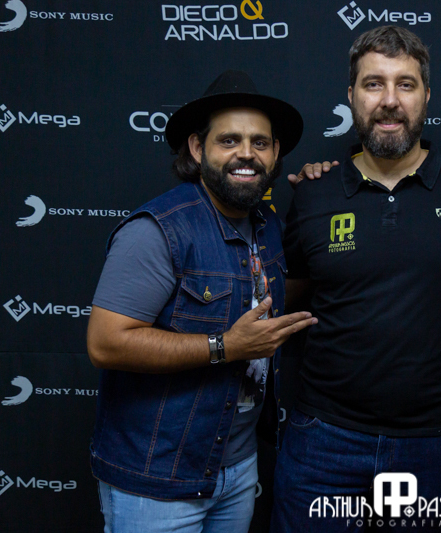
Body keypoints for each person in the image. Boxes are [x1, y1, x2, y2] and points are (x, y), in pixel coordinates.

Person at [270, 26, 441, 531]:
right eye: (374, 84)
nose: (390, 100)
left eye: (406, 84)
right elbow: (289, 293)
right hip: (323, 442)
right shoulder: (314, 192)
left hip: (439, 446)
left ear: (426, 97)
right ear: (351, 95)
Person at [86, 70, 317, 533]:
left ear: (275, 153)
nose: (246, 153)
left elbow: (270, 290)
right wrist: (226, 346)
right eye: (229, 140)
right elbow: (106, 343)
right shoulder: (158, 230)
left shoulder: (267, 224)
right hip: (157, 479)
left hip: (237, 466)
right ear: (197, 148)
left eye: (260, 142)